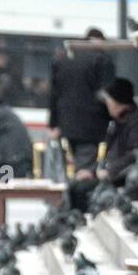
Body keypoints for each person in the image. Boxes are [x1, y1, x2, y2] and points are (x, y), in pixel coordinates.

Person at [68, 77, 138, 212]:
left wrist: (109, 171)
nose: (107, 105)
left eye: (109, 101)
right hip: (115, 175)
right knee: (76, 185)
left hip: (127, 180)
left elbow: (136, 156)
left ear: (118, 102)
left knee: (82, 190)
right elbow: (111, 155)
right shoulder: (119, 122)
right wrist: (92, 171)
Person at [49, 27, 116, 174]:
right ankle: (82, 193)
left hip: (66, 123)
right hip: (91, 124)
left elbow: (54, 94)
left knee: (74, 164)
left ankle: (73, 191)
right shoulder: (102, 59)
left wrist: (54, 124)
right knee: (85, 167)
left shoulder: (62, 60)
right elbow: (107, 92)